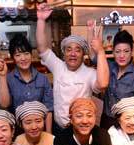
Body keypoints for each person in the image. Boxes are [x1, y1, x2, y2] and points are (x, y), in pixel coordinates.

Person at [36, 3, 109, 136]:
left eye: (77, 50)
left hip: (82, 128)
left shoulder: (89, 73)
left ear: (83, 54)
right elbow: (42, 48)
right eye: (69, 49)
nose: (73, 53)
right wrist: (41, 20)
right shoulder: (58, 66)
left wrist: (100, 51)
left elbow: (103, 84)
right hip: (59, 127)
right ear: (63, 53)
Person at [89, 28, 134, 128]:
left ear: (131, 52)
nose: (122, 55)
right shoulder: (108, 67)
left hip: (126, 124)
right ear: (113, 52)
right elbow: (93, 57)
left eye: (126, 51)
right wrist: (91, 30)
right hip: (106, 120)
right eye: (118, 51)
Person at [0, 34, 53, 132]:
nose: (23, 58)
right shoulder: (9, 78)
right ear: (13, 58)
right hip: (17, 131)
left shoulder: (42, 79)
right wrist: (2, 76)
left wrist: (48, 136)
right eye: (18, 55)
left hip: (39, 130)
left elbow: (48, 109)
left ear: (31, 54)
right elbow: (4, 104)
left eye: (26, 53)